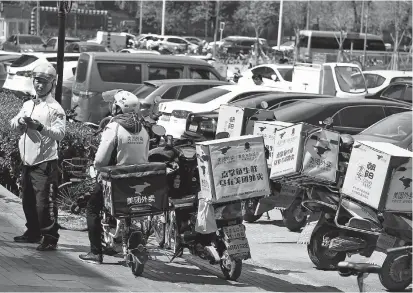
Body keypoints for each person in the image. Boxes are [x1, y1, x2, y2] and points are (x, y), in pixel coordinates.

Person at [79, 90, 150, 264]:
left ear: (116, 108)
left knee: (91, 209)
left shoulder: (114, 127)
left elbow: (100, 160)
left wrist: (98, 167)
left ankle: (96, 252)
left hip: (115, 180)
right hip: (138, 180)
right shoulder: (143, 129)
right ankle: (117, 242)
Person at [10, 61, 66, 251]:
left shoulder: (55, 109)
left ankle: (50, 237)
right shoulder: (28, 104)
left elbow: (60, 134)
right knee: (27, 200)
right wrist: (19, 122)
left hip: (45, 162)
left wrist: (40, 127)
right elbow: (13, 123)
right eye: (36, 81)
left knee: (44, 203)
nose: (39, 85)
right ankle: (33, 232)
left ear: (52, 84)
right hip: (27, 160)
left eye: (43, 82)